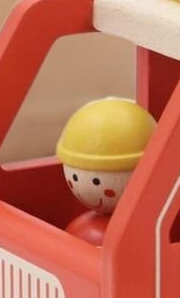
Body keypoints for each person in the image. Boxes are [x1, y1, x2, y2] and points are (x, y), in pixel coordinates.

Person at [55, 97, 156, 246]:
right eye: (75, 178)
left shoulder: (142, 233)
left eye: (97, 182)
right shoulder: (80, 229)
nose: (87, 190)